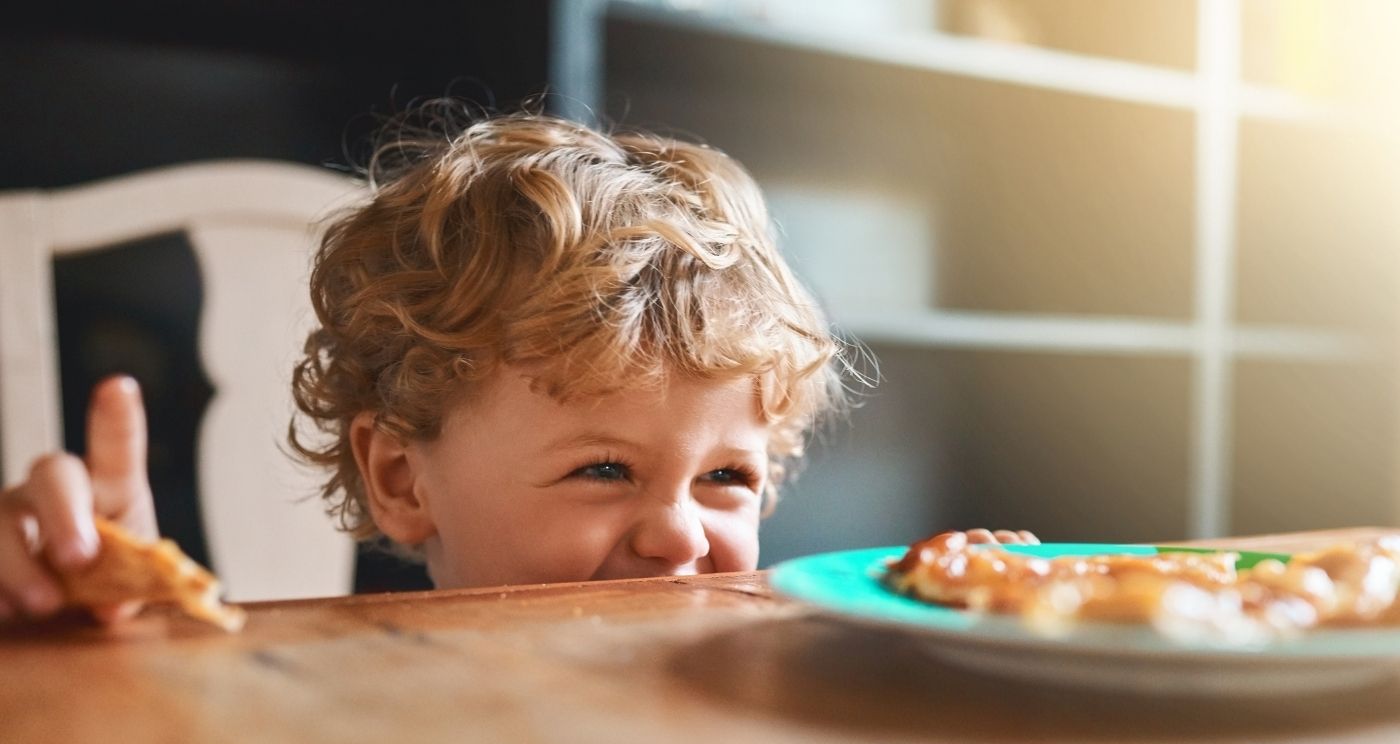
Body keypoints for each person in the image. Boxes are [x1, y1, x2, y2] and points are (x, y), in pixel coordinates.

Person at [0, 104, 1032, 623]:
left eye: (728, 477)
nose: (681, 532)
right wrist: (114, 648)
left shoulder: (765, 671)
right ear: (403, 479)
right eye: (602, 468)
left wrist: (983, 609)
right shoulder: (349, 724)